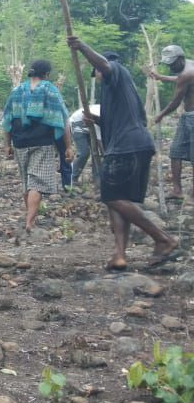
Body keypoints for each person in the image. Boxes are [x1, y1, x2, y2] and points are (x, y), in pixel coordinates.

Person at [68, 36, 180, 270]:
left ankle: (163, 239)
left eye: (96, 73)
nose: (97, 77)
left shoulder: (115, 71)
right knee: (118, 200)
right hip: (134, 144)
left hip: (126, 147)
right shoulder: (119, 91)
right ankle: (119, 255)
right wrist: (96, 119)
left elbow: (105, 65)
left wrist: (82, 47)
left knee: (111, 197)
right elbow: (120, 120)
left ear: (100, 69)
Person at [1, 59, 75, 232]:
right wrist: (68, 146)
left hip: (19, 142)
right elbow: (63, 119)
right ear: (47, 74)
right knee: (36, 183)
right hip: (42, 142)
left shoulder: (17, 91)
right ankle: (30, 222)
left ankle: (29, 216)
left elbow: (7, 120)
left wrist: (7, 144)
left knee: (26, 182)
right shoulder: (50, 90)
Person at [149, 44, 194, 200]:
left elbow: (175, 102)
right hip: (187, 116)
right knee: (175, 152)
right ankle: (177, 190)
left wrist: (160, 115)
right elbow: (180, 79)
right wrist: (162, 77)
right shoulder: (188, 66)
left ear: (180, 59)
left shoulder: (187, 72)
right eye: (168, 64)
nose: (171, 67)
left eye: (172, 64)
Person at [69, 104, 101, 185]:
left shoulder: (105, 116)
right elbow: (100, 141)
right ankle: (72, 178)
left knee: (96, 152)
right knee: (84, 152)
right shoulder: (98, 114)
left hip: (91, 125)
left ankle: (97, 179)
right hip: (77, 122)